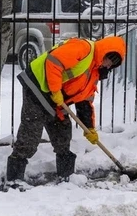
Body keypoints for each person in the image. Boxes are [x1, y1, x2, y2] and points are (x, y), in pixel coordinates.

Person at [7, 36, 126, 183]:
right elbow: (53, 62)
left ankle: (66, 177)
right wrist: (55, 90)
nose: (108, 65)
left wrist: (89, 128)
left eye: (113, 64)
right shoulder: (84, 49)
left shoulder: (94, 73)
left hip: (56, 99)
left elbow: (84, 102)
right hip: (37, 86)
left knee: (63, 133)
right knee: (31, 134)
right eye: (109, 58)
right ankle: (13, 180)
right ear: (105, 52)